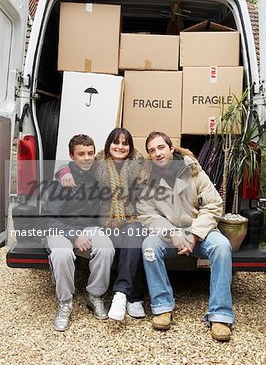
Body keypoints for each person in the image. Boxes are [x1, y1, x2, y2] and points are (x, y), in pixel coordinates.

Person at [137, 131, 234, 341]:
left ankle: (220, 315)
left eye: (161, 147)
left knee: (222, 246)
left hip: (199, 231)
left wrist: (195, 234)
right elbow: (147, 214)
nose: (157, 153)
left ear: (171, 149)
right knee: (149, 246)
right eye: (152, 150)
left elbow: (214, 205)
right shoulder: (147, 181)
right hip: (169, 234)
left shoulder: (194, 172)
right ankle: (162, 307)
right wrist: (171, 232)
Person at [59, 128, 146, 322]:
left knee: (134, 234)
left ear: (130, 148)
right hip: (105, 223)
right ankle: (131, 296)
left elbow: (163, 165)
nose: (120, 147)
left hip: (131, 220)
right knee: (127, 244)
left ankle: (125, 296)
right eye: (116, 142)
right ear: (109, 145)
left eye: (125, 143)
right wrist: (63, 170)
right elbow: (76, 164)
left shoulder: (140, 166)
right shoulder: (98, 164)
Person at [40, 134, 115, 331]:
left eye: (90, 153)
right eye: (81, 154)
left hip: (88, 228)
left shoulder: (98, 176)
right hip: (59, 229)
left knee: (106, 248)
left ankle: (95, 295)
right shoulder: (62, 181)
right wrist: (73, 236)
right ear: (72, 156)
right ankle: (65, 302)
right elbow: (47, 219)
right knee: (62, 253)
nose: (87, 158)